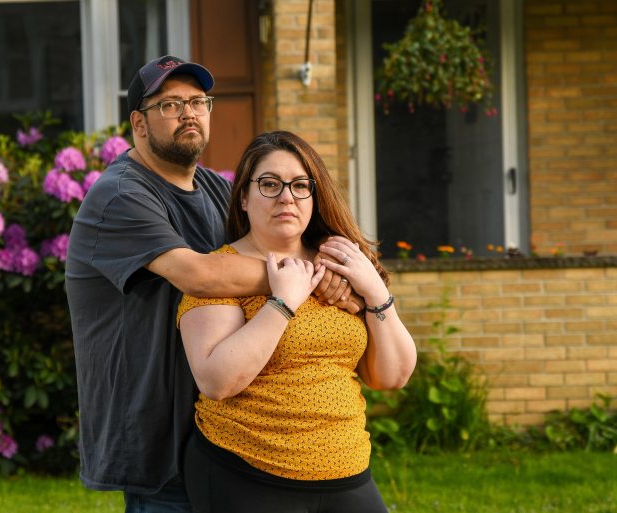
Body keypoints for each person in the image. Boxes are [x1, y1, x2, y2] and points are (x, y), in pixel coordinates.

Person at [66, 57, 357, 512]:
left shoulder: (214, 188)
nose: (190, 113)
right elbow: (201, 275)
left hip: (220, 429)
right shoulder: (121, 195)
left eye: (199, 102)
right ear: (138, 124)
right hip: (155, 435)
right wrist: (314, 278)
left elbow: (258, 254)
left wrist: (324, 272)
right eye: (171, 104)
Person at [177, 131, 418, 513]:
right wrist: (282, 303)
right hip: (248, 472)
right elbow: (216, 381)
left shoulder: (340, 267)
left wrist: (374, 292)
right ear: (243, 196)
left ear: (314, 195)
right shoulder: (218, 272)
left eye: (300, 185)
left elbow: (392, 377)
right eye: (269, 184)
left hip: (347, 470)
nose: (286, 197)